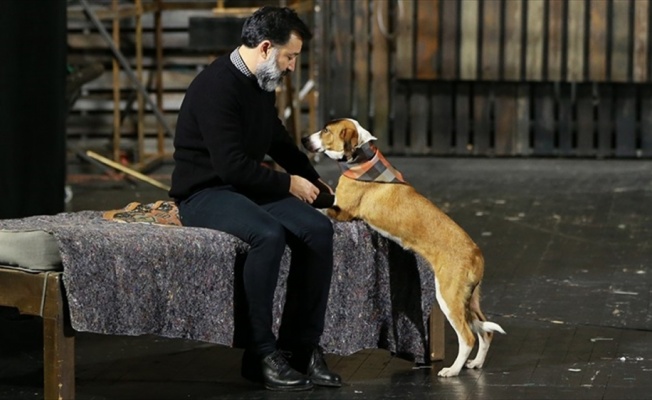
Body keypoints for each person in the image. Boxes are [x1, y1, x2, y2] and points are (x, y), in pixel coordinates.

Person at [169, 6, 341, 392]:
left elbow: (276, 137)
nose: (293, 66)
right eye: (290, 56)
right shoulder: (216, 86)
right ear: (266, 48)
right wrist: (288, 185)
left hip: (247, 186)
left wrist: (314, 181)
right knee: (266, 234)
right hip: (205, 192)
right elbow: (230, 167)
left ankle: (301, 348)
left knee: (317, 229)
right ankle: (261, 353)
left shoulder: (260, 82)